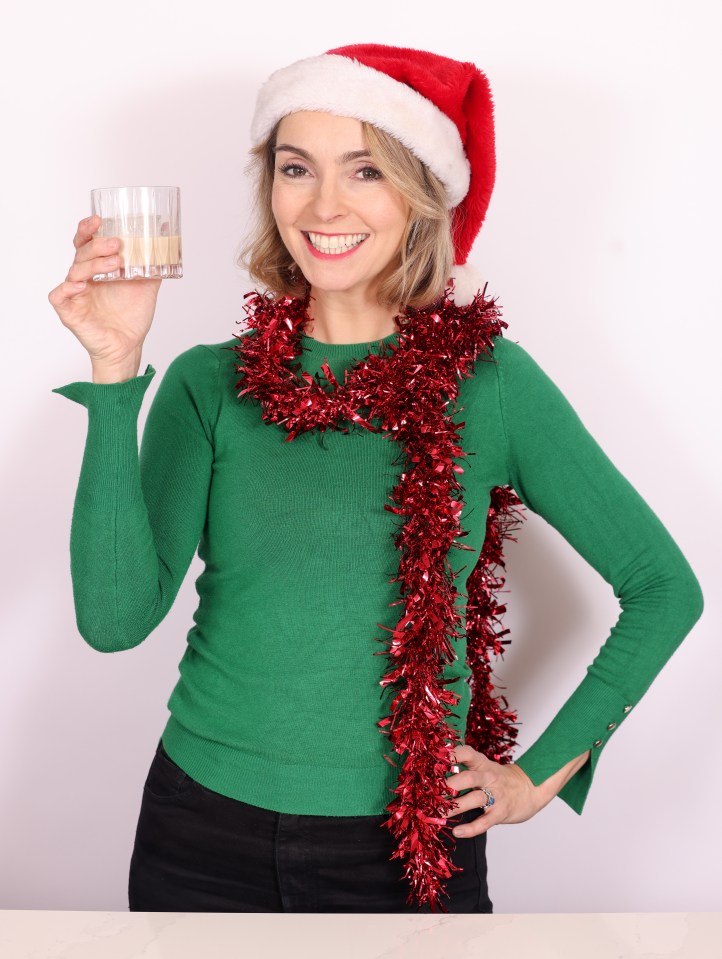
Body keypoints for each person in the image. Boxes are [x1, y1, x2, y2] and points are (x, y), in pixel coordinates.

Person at [48, 44, 704, 915]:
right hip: (198, 829)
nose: (324, 204)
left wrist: (539, 776)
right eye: (296, 168)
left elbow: (665, 587)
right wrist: (112, 370)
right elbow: (112, 619)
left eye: (366, 170)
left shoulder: (490, 383)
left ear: (420, 193)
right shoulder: (210, 383)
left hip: (406, 849)